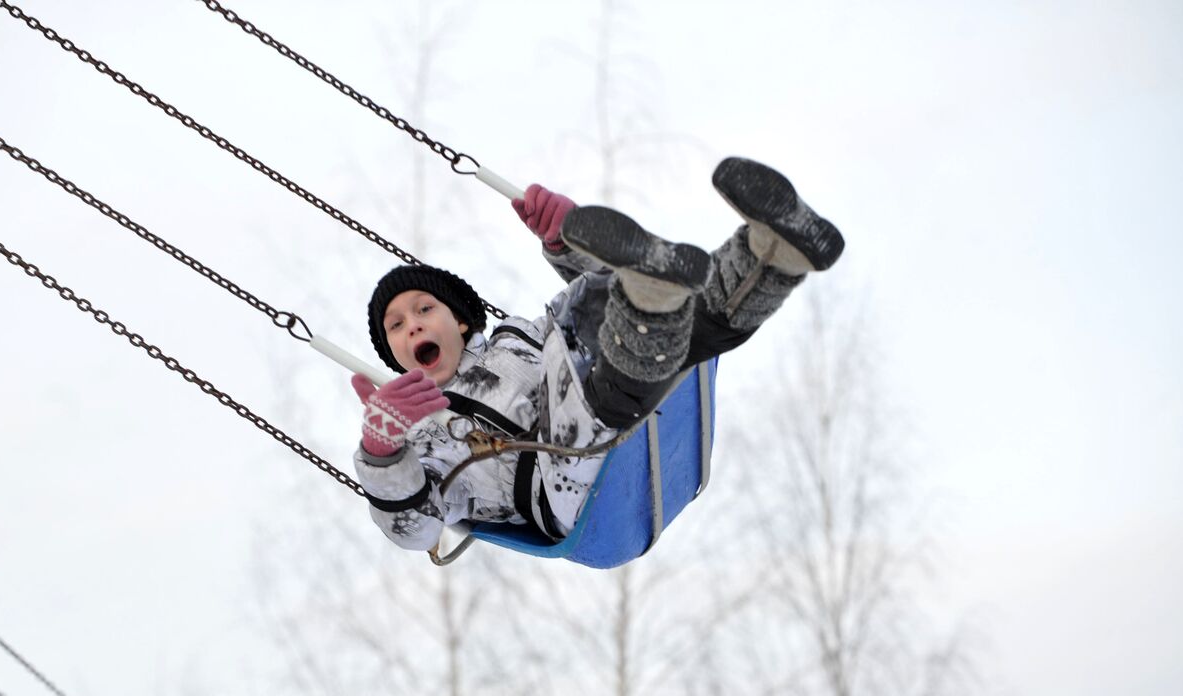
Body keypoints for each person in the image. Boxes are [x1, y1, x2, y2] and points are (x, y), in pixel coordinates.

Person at [351, 156, 844, 552]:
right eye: (396, 325)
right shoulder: (425, 439)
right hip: (558, 486)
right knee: (591, 383)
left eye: (423, 309)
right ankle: (650, 300)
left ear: (460, 320)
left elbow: (582, 325)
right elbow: (416, 531)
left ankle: (774, 254)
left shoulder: (514, 338)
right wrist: (382, 451)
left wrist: (565, 244)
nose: (412, 323)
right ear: (396, 353)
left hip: (610, 416)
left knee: (598, 310)